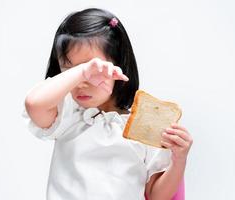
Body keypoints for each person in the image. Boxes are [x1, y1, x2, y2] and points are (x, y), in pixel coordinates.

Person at [22, 8, 193, 200]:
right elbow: (33, 104)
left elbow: (156, 196)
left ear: (118, 64)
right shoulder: (67, 115)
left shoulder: (145, 128)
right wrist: (84, 71)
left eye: (92, 67)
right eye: (69, 69)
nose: (81, 82)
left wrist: (179, 160)